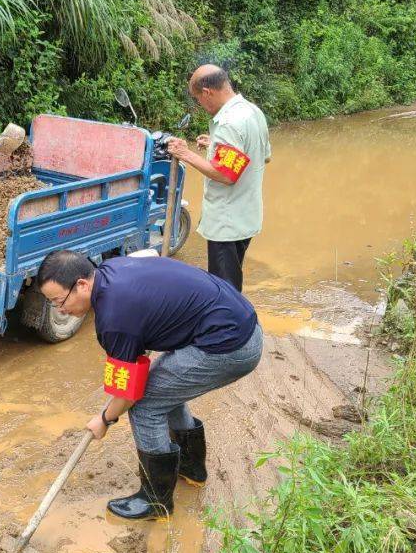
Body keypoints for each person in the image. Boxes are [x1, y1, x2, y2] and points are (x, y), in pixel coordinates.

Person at [36, 249, 262, 520]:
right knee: (163, 387)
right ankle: (191, 469)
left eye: (59, 301)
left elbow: (130, 393)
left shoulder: (115, 319)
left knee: (146, 404)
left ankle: (156, 502)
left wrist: (105, 419)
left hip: (229, 346)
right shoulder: (112, 269)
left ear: (82, 285)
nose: (60, 309)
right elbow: (132, 370)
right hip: (235, 321)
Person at [165, 65, 270, 292]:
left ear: (207, 92)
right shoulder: (252, 112)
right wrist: (215, 145)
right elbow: (261, 156)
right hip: (246, 216)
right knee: (232, 278)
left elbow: (226, 174)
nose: (201, 106)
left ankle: (231, 326)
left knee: (225, 289)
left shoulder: (228, 123)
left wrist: (186, 154)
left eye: (198, 99)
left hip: (227, 222)